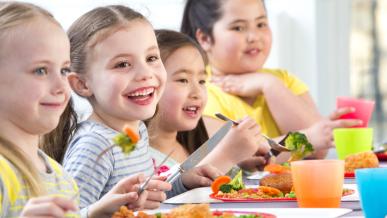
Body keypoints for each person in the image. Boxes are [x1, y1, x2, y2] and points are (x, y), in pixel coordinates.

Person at [45, 5, 221, 211]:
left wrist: (182, 183)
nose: (145, 73)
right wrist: (102, 210)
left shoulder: (136, 132)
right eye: (122, 64)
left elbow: (144, 200)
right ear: (83, 84)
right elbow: (67, 215)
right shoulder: (94, 145)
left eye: (151, 58)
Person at [0, 2, 153, 218]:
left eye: (63, 70)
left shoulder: (61, 178)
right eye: (40, 70)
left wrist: (99, 212)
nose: (62, 86)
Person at [180, 0, 361, 161]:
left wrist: (269, 85)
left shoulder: (283, 80)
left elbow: (319, 149)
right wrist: (307, 139)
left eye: (261, 24)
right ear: (204, 38)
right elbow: (235, 157)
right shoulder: (200, 92)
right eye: (238, 28)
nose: (254, 36)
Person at [147, 29, 269, 174]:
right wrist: (227, 155)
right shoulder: (140, 160)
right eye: (183, 80)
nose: (197, 92)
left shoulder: (195, 149)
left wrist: (239, 164)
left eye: (201, 81)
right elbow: (173, 191)